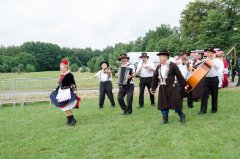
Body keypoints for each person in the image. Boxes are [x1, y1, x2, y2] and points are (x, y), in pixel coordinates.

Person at [150, 50, 189, 124]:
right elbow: (155, 78)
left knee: (176, 103)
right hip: (162, 88)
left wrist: (185, 85)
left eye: (161, 57)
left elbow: (179, 76)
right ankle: (165, 119)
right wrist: (153, 88)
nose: (160, 58)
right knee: (163, 104)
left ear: (166, 57)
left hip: (172, 88)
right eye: (159, 57)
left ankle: (182, 115)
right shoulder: (158, 66)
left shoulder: (173, 65)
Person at [50, 59, 80, 126]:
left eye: (62, 68)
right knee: (64, 107)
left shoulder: (69, 74)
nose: (61, 69)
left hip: (67, 93)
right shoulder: (63, 75)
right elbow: (60, 84)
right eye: (60, 68)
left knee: (66, 107)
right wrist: (56, 88)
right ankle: (69, 119)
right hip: (62, 92)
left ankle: (72, 120)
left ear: (66, 67)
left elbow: (72, 84)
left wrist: (74, 92)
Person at [199, 48, 221, 114]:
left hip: (214, 79)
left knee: (214, 95)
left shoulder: (217, 60)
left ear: (213, 53)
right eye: (207, 52)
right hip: (206, 79)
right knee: (204, 95)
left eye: (209, 52)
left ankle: (214, 110)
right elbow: (201, 69)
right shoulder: (205, 60)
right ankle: (203, 110)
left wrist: (212, 60)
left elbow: (217, 66)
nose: (208, 53)